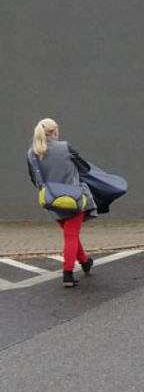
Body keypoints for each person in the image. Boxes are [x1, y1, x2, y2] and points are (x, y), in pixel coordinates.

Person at [26, 118, 96, 288]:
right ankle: (68, 274)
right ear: (55, 131)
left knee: (70, 234)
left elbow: (33, 178)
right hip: (73, 199)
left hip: (51, 201)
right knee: (70, 236)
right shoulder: (65, 147)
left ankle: (85, 262)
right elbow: (85, 167)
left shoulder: (32, 153)